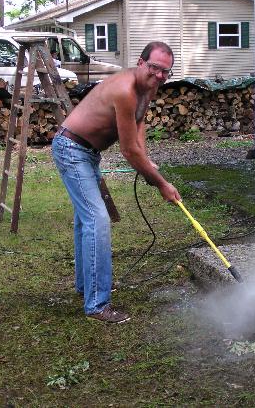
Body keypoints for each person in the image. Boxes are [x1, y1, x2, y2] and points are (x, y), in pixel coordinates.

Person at [52, 41, 181, 324]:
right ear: (141, 61)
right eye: (155, 68)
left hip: (88, 153)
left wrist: (146, 160)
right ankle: (97, 304)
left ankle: (86, 286)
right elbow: (127, 150)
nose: (159, 76)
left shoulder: (149, 86)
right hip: (71, 149)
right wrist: (159, 182)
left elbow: (139, 122)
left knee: (86, 219)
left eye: (165, 72)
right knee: (97, 220)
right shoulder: (124, 90)